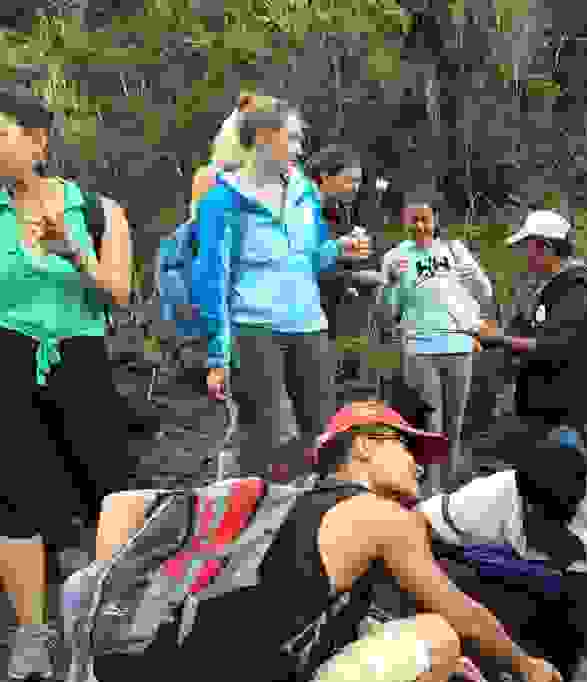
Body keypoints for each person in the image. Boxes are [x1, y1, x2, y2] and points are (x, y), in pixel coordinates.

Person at [77, 400, 562, 682]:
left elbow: (119, 506)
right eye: (407, 447)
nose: (419, 464)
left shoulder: (270, 509)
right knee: (437, 638)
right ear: (366, 447)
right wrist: (527, 667)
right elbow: (464, 616)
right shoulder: (380, 516)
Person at [0, 84, 135, 682]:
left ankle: (113, 620)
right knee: (15, 495)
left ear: (37, 141)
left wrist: (71, 250)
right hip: (7, 356)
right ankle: (32, 635)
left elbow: (120, 293)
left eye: (0, 133)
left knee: (104, 493)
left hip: (80, 358)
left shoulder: (101, 211)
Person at [192, 98, 371, 484]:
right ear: (260, 138)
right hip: (253, 330)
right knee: (267, 441)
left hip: (309, 327)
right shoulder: (223, 200)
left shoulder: (305, 192)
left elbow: (307, 260)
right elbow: (211, 278)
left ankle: (314, 520)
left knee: (322, 436)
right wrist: (217, 354)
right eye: (291, 139)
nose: (299, 148)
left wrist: (337, 250)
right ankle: (260, 526)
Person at [416, 426, 587, 682]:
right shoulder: (489, 497)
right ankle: (480, 658)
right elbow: (416, 522)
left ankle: (584, 665)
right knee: (448, 579)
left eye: (564, 516)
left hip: (571, 590)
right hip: (500, 573)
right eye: (543, 517)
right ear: (523, 498)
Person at [380, 188, 497, 495]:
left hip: (458, 346)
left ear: (436, 219)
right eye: (412, 220)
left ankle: (449, 496)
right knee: (429, 423)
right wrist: (389, 285)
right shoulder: (395, 257)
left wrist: (465, 263)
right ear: (403, 221)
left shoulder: (454, 251)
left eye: (425, 219)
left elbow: (484, 292)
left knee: (453, 425)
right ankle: (428, 494)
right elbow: (389, 312)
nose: (419, 226)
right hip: (419, 347)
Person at [490, 210, 587, 465]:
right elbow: (541, 334)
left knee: (562, 485)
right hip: (545, 410)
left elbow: (555, 346)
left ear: (545, 247)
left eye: (527, 247)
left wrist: (500, 340)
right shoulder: (556, 285)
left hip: (566, 414)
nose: (524, 255)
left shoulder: (576, 287)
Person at [306, 143, 375, 385]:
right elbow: (301, 264)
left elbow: (332, 261)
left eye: (359, 181)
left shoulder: (337, 209)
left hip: (329, 313)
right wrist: (349, 267)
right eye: (350, 180)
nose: (356, 187)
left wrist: (351, 263)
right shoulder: (303, 208)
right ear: (325, 177)